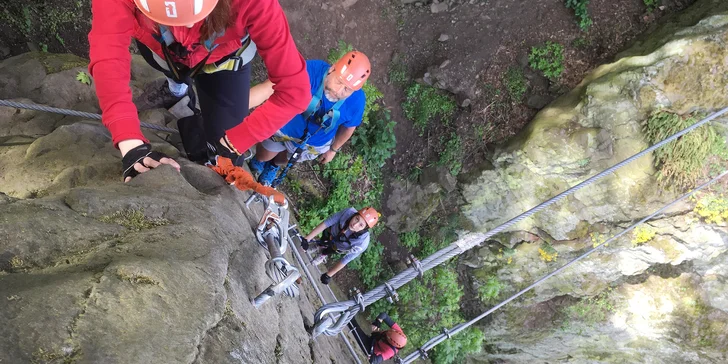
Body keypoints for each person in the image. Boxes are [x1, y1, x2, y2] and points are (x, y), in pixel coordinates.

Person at [88, 0, 311, 182]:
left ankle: (180, 92)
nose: (182, 29)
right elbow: (109, 59)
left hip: (224, 64)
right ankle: (177, 90)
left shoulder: (255, 3)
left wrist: (239, 138)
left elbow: (295, 90)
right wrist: (130, 143)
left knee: (228, 154)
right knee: (172, 73)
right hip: (164, 51)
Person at [246, 51, 370, 185]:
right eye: (339, 82)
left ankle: (273, 165)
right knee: (263, 155)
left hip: (313, 142)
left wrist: (333, 150)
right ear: (333, 68)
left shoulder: (357, 101)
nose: (338, 92)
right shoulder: (312, 70)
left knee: (285, 158)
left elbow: (349, 128)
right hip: (285, 127)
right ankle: (260, 160)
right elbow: (278, 85)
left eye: (347, 90)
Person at [301, 206, 379, 284]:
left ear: (365, 229)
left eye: (361, 225)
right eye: (357, 219)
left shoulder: (362, 242)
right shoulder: (348, 212)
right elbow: (327, 223)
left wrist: (329, 275)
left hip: (340, 247)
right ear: (355, 214)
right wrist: (306, 239)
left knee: (330, 250)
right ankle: (319, 246)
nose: (355, 225)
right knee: (324, 239)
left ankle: (323, 254)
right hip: (331, 233)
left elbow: (347, 258)